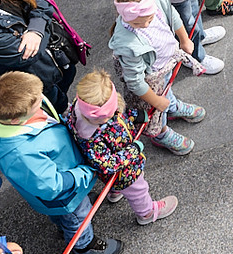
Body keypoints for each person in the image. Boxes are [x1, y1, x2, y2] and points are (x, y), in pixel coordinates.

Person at [0, 72, 123, 254]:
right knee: (78, 215)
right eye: (37, 105)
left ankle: (64, 225)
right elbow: (51, 185)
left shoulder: (6, 109)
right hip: (64, 191)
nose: (42, 101)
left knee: (67, 215)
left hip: (62, 179)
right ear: (16, 120)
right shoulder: (21, 153)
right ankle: (84, 246)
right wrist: (84, 173)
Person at [110, 0, 207, 157]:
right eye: (138, 24)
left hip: (165, 64)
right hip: (150, 79)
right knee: (154, 111)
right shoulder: (127, 45)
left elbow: (172, 14)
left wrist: (184, 39)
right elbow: (135, 82)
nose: (146, 25)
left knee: (167, 87)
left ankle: (172, 106)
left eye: (150, 19)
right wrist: (156, 101)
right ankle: (160, 134)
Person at [66, 69, 174, 222]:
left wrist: (133, 115)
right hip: (124, 170)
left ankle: (115, 191)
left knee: (119, 184)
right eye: (106, 117)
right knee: (138, 189)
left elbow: (118, 116)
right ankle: (147, 213)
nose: (111, 117)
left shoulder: (82, 106)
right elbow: (108, 164)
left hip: (119, 159)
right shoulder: (91, 138)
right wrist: (133, 150)